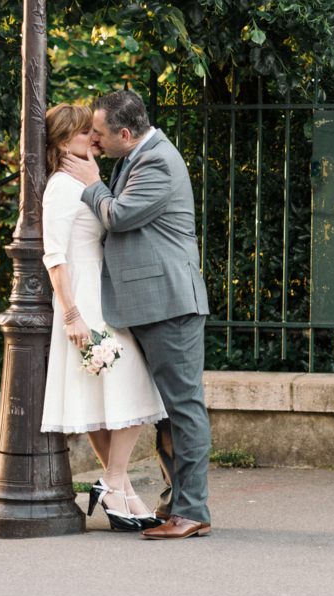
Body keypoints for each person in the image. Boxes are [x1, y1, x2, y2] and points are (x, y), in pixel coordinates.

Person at [61, 88, 212, 540]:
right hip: (146, 303)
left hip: (168, 302)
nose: (96, 142)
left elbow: (120, 216)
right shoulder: (134, 156)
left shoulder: (158, 161)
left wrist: (91, 185)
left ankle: (192, 510)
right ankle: (177, 504)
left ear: (126, 133)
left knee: (183, 407)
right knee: (167, 411)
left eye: (102, 134)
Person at [40, 102, 165, 530]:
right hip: (84, 303)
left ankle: (120, 489)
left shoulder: (86, 179)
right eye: (81, 134)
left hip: (103, 296)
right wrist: (72, 315)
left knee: (110, 394)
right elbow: (54, 256)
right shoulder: (59, 186)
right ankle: (115, 485)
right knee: (123, 383)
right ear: (60, 143)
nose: (91, 138)